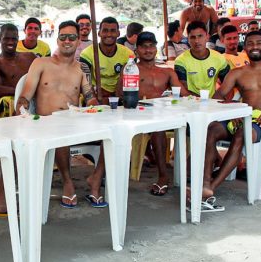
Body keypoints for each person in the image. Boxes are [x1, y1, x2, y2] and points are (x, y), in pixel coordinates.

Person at [203, 30, 261, 208]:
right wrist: (234, 111)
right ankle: (205, 182)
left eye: (259, 43)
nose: (254, 47)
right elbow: (218, 96)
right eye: (250, 43)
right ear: (244, 47)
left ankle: (211, 188)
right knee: (211, 130)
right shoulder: (238, 73)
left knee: (241, 134)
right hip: (241, 117)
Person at [12, 20, 99, 209]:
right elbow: (25, 95)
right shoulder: (41, 63)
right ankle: (68, 181)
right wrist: (21, 109)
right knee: (59, 129)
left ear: (78, 41)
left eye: (72, 37)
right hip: (45, 123)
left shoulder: (81, 68)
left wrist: (94, 107)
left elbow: (90, 97)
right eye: (63, 36)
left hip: (73, 122)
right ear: (57, 39)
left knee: (114, 134)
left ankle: (96, 179)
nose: (67, 41)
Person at [117, 32, 183, 196]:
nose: (148, 50)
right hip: (137, 115)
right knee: (158, 128)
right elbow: (119, 93)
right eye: (143, 46)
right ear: (137, 49)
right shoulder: (131, 69)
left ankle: (189, 170)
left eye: (151, 46)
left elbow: (183, 93)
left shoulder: (166, 72)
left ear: (156, 48)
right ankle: (163, 175)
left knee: (164, 125)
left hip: (162, 115)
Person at [79, 16, 134, 102]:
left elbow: (125, 82)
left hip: (118, 97)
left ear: (118, 33)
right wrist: (94, 100)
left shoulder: (128, 54)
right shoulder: (87, 54)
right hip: (94, 97)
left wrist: (114, 98)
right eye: (105, 30)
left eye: (113, 31)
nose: (109, 34)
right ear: (99, 33)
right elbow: (85, 83)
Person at [0, 24, 35, 113]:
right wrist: (26, 92)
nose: (10, 42)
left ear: (18, 39)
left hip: (35, 103)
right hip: (15, 106)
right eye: (6, 39)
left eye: (13, 39)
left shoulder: (30, 57)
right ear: (0, 38)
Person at [174, 21, 229, 97]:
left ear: (207, 36)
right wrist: (203, 101)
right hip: (190, 103)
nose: (197, 41)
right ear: (188, 39)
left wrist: (218, 99)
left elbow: (228, 84)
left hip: (212, 104)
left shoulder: (219, 58)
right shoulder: (180, 61)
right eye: (193, 37)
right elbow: (183, 89)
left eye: (200, 36)